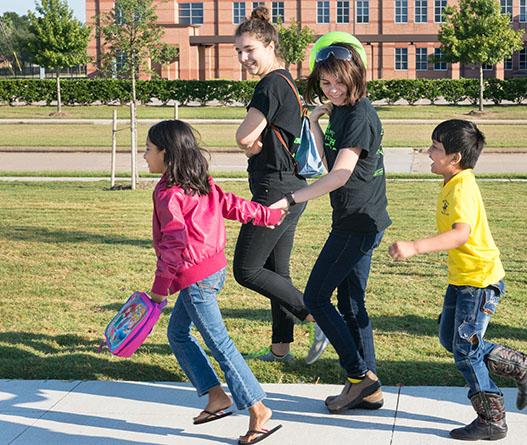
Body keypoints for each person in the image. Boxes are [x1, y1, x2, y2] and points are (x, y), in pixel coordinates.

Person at [271, 33, 391, 412]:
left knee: (316, 298)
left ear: (357, 75)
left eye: (340, 81)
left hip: (358, 222)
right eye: (325, 83)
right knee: (352, 304)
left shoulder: (360, 115)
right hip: (358, 217)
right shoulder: (343, 110)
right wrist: (318, 121)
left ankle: (359, 376)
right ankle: (368, 388)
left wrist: (291, 198)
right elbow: (326, 162)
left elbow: (339, 175)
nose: (333, 89)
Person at [144, 120, 283, 445]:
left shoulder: (169, 193)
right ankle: (216, 396)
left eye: (149, 149)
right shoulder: (198, 183)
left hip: (195, 280)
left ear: (166, 153)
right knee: (177, 334)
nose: (144, 156)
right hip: (211, 271)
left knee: (220, 343)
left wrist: (158, 290)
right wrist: (269, 215)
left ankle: (258, 408)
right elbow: (232, 205)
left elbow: (174, 244)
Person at [388, 119, 527, 441]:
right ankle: (520, 366)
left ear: (455, 158)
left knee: (465, 351)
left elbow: (460, 235)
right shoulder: (454, 182)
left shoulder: (462, 186)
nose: (428, 153)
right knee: (452, 341)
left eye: (436, 148)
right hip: (465, 279)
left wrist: (415, 247)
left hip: (479, 281)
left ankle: (492, 418)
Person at [233, 6, 327, 364]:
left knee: (248, 270)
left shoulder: (270, 84)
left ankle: (316, 316)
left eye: (249, 50)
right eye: (239, 51)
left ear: (269, 45)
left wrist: (249, 146)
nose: (243, 58)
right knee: (276, 273)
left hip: (274, 191)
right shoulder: (286, 80)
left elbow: (244, 135)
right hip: (290, 187)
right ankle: (280, 349)